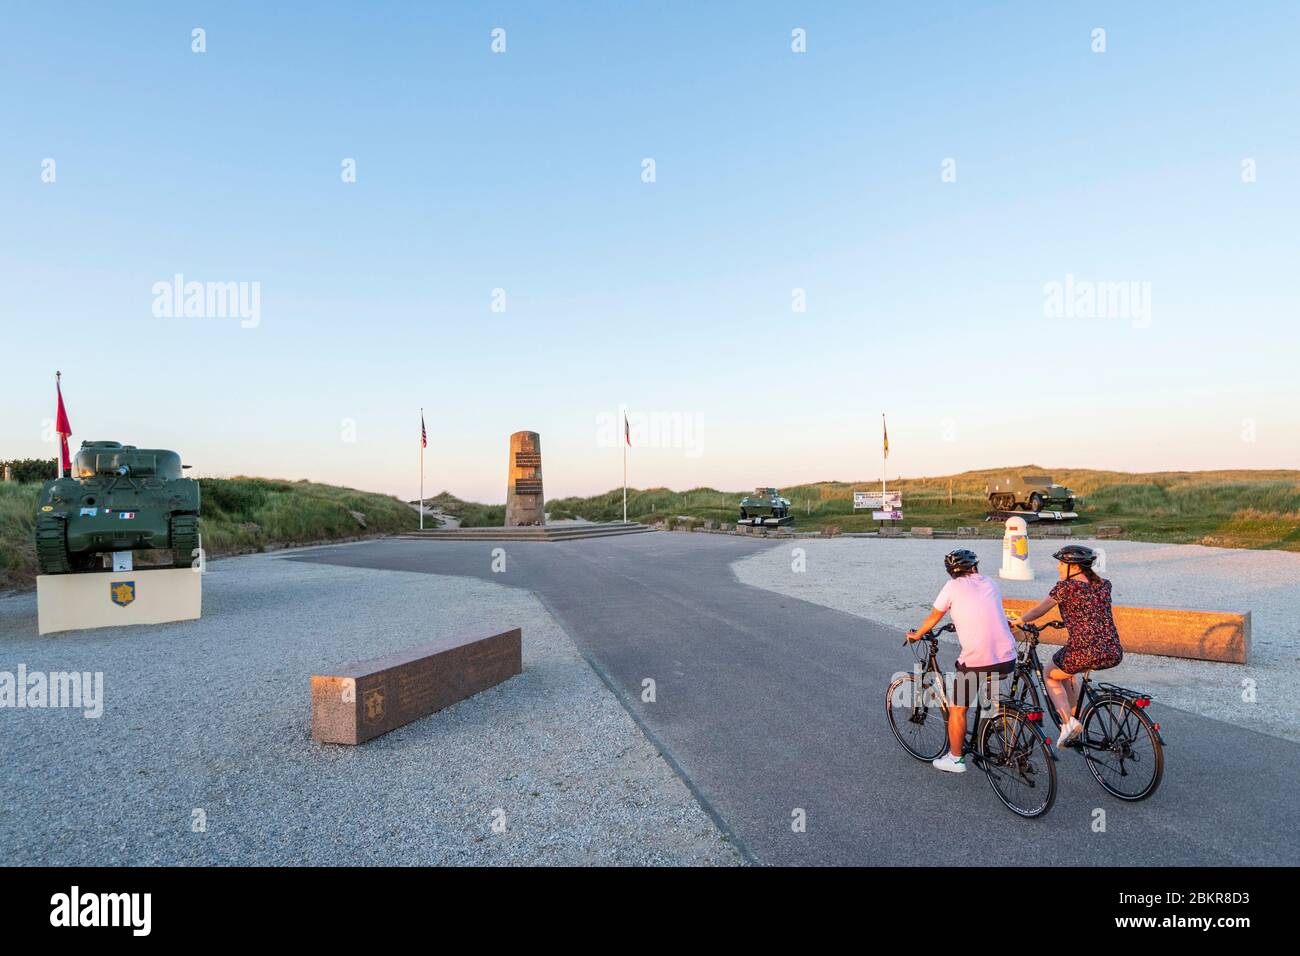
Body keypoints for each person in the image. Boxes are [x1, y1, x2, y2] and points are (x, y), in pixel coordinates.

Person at [908, 548, 1018, 774]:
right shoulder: (990, 583)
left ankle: (956, 759)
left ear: (951, 572)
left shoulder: (952, 587)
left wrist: (917, 635)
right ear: (975, 567)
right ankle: (995, 715)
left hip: (977, 660)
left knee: (958, 709)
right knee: (989, 681)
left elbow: (934, 616)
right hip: (1008, 657)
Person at [1011, 544, 1123, 749]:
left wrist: (1019, 621)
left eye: (1062, 563)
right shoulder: (1104, 585)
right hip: (1112, 649)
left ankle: (1067, 722)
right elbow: (1089, 611)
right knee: (1067, 672)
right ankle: (1076, 718)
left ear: (1074, 566)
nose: (1058, 568)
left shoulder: (1066, 587)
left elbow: (1039, 611)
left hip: (1084, 650)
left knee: (1049, 674)